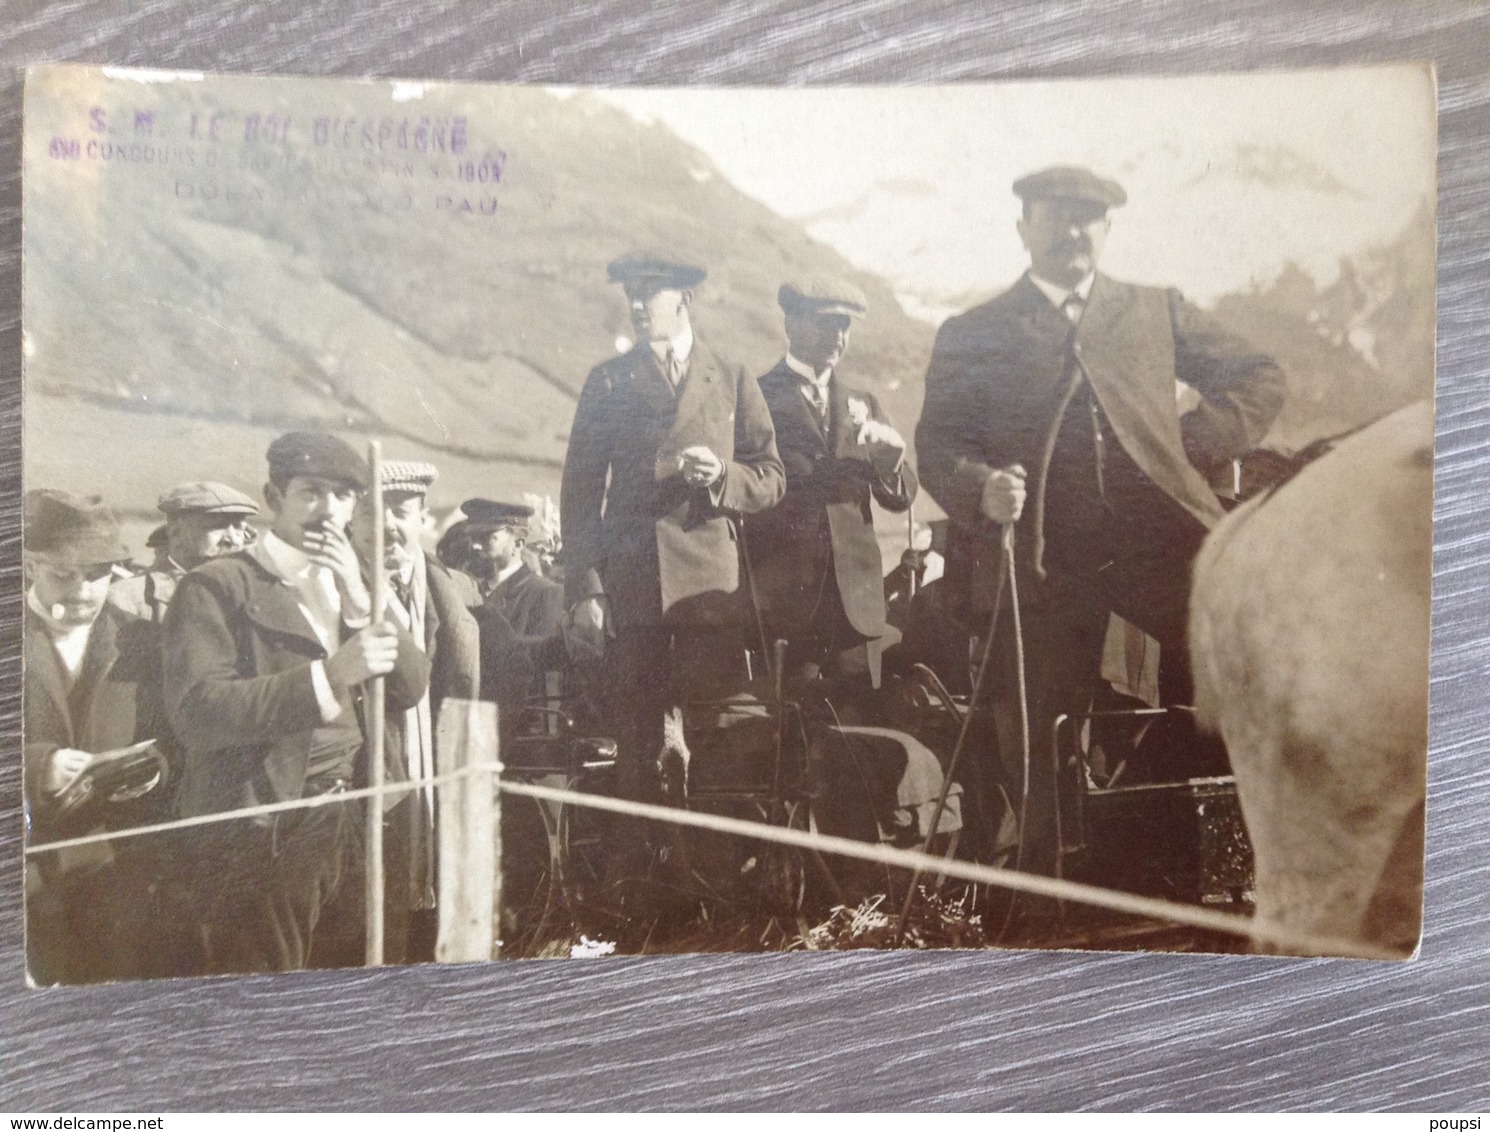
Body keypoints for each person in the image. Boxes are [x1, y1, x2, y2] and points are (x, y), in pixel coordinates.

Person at [915, 165, 1285, 878]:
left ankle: (1222, 876)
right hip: (1044, 563)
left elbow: (1260, 374)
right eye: (1055, 217)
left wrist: (1187, 447)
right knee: (1041, 732)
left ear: (1107, 231)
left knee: (1216, 697)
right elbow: (937, 445)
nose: (1073, 231)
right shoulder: (976, 332)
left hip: (1162, 547)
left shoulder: (1153, 309)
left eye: (1088, 218)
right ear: (1024, 229)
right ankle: (1061, 898)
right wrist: (981, 486)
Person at [162, 432, 429, 973]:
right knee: (269, 997)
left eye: (343, 495)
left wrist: (360, 597)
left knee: (361, 989)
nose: (329, 511)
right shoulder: (218, 586)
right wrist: (328, 677)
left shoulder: (360, 581)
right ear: (273, 496)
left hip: (367, 815)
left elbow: (409, 688)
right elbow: (198, 711)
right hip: (269, 832)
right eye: (311, 492)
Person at [560, 251, 785, 868]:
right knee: (633, 746)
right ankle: (636, 888)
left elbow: (770, 477)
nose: (635, 305)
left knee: (718, 740)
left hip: (707, 591)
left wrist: (722, 479)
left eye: (648, 294)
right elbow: (579, 496)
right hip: (632, 591)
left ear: (684, 299)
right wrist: (584, 589)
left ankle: (715, 880)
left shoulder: (732, 375)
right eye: (630, 294)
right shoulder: (608, 381)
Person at [22, 490, 177, 983]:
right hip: (25, 873)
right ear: (29, 567)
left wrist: (147, 771)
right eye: (63, 574)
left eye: (98, 575)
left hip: (115, 868)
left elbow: (174, 741)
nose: (84, 590)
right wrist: (37, 764)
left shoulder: (143, 641)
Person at [743, 277, 917, 707]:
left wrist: (891, 464)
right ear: (791, 323)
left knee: (860, 729)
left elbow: (900, 496)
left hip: (857, 605)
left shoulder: (863, 402)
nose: (838, 337)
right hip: (787, 602)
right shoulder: (758, 397)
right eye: (826, 324)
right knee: (793, 734)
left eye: (845, 326)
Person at [340, 459, 481, 965]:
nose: (388, 526)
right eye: (371, 512)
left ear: (422, 517)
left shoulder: (452, 588)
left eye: (401, 511)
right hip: (362, 775)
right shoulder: (329, 588)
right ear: (350, 522)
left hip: (437, 777)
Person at [110, 481, 258, 623]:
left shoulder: (256, 596)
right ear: (176, 533)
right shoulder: (127, 598)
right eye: (217, 526)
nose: (232, 539)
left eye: (238, 527)